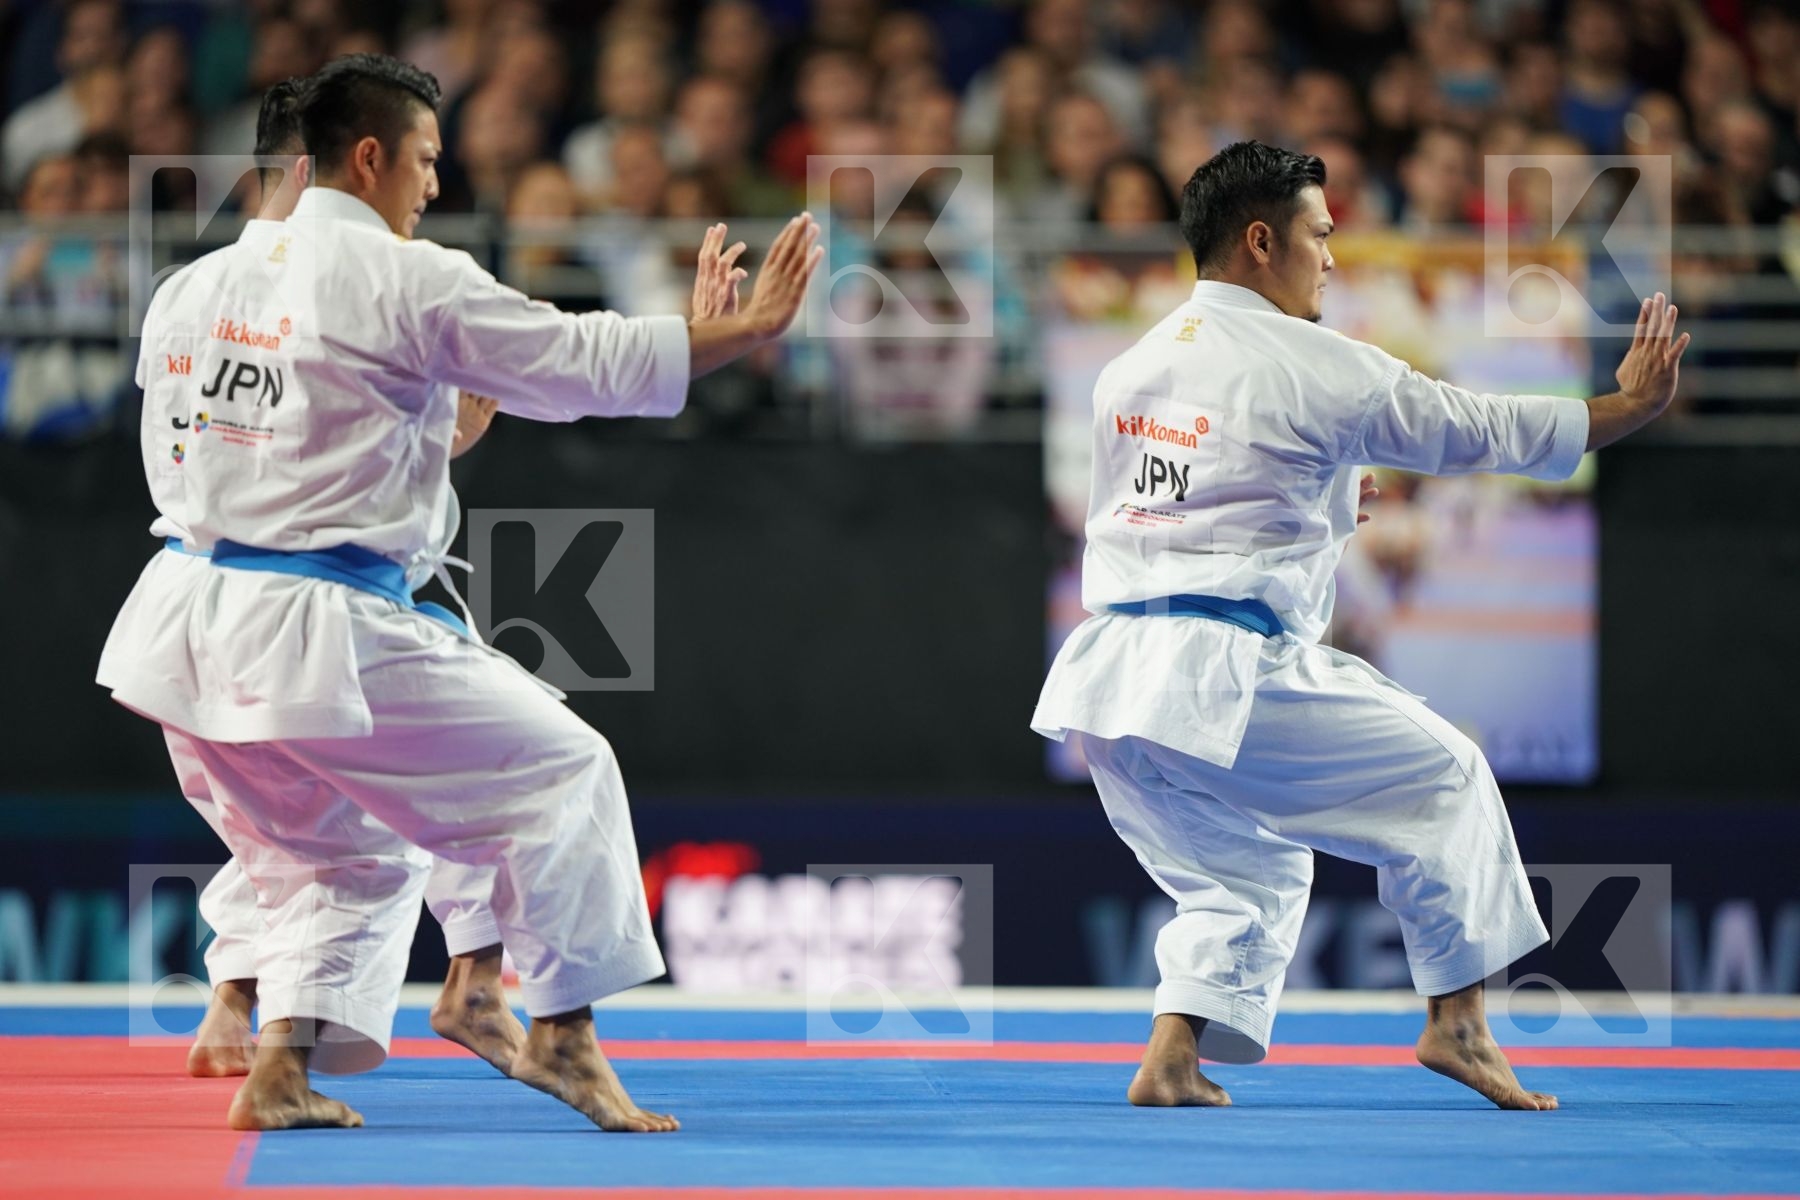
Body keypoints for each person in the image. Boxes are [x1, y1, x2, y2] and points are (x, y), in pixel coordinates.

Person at [98, 53, 818, 1132]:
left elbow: (265, 448)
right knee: (567, 771)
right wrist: (743, 332)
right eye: (428, 159)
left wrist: (440, 431)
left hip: (184, 620)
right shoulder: (406, 276)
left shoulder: (190, 291)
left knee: (337, 853)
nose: (436, 186)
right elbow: (585, 358)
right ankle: (565, 1034)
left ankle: (283, 1071)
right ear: (372, 156)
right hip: (319, 624)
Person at [1030, 141, 1687, 1111]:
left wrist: (1333, 497)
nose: (1332, 258)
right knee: (1447, 774)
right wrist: (1623, 407)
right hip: (1222, 668)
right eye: (1320, 235)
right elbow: (1476, 428)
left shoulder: (1130, 368)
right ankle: (1457, 1022)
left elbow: (1189, 506)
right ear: (1262, 241)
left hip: (1109, 682)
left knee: (1239, 875)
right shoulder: (1315, 363)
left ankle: (1170, 1057)